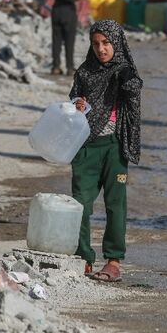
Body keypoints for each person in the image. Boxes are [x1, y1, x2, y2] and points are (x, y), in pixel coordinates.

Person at [70, 20, 143, 282]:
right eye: (96, 43)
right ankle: (84, 257)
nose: (101, 49)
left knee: (115, 205)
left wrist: (126, 79)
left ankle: (113, 260)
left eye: (106, 43)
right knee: (80, 203)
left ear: (117, 43)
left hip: (114, 147)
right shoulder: (85, 72)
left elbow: (134, 91)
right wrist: (77, 103)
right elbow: (73, 97)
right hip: (86, 147)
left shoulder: (124, 71)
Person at [48, 0, 82, 75]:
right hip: (69, 12)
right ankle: (69, 67)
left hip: (56, 11)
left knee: (56, 40)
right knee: (69, 41)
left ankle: (55, 66)